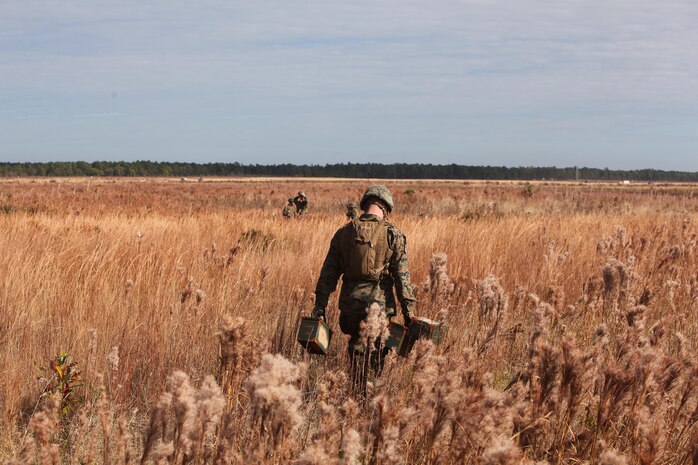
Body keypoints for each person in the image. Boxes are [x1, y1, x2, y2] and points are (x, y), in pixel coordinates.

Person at [312, 185, 415, 396]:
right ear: (385, 207)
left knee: (357, 347)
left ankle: (357, 393)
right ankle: (368, 397)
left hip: (350, 306)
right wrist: (409, 315)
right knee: (377, 352)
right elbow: (402, 280)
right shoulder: (393, 235)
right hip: (379, 307)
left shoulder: (344, 232)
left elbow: (327, 275)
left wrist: (319, 308)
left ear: (365, 204)